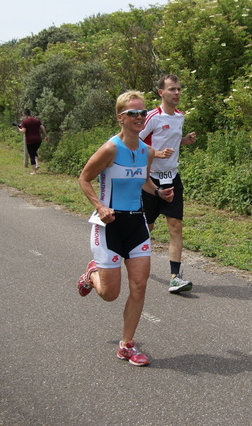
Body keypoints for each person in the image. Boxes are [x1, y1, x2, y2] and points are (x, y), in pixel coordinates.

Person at [77, 91, 174, 367]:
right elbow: (84, 179)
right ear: (120, 117)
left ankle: (127, 345)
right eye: (133, 113)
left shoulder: (145, 151)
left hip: (137, 224)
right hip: (109, 226)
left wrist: (158, 192)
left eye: (143, 113)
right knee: (110, 295)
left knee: (139, 286)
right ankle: (92, 273)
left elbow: (142, 180)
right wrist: (99, 206)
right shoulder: (110, 149)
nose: (139, 117)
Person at [139, 74, 196, 293]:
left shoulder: (180, 117)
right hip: (150, 179)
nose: (177, 93)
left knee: (176, 226)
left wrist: (183, 141)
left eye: (179, 89)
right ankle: (132, 257)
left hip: (172, 177)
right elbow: (134, 142)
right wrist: (157, 154)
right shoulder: (152, 116)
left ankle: (175, 277)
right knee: (147, 227)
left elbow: (170, 142)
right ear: (161, 93)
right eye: (172, 89)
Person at [17, 109, 49, 174]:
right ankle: (37, 164)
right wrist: (46, 136)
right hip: (38, 140)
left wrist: (19, 129)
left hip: (30, 140)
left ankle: (34, 171)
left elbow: (23, 131)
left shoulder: (24, 122)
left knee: (31, 154)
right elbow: (42, 127)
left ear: (25, 115)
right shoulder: (37, 120)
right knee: (34, 152)